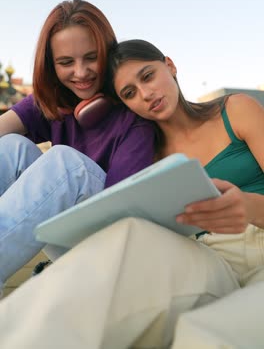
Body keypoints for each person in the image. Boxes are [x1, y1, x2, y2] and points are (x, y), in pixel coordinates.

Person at [0, 38, 264, 349]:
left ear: (169, 65)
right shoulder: (145, 153)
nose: (145, 94)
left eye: (148, 76)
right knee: (120, 251)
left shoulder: (235, 110)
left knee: (207, 335)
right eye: (129, 94)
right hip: (203, 256)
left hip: (257, 243)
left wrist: (247, 206)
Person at [0, 6, 155, 291]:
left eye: (92, 58)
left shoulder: (134, 114)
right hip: (68, 237)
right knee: (11, 147)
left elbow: (124, 212)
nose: (80, 72)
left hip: (117, 243)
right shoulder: (55, 102)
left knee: (67, 164)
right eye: (66, 62)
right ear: (51, 65)